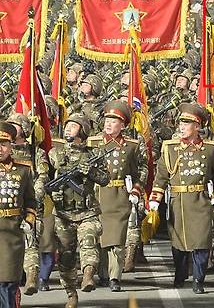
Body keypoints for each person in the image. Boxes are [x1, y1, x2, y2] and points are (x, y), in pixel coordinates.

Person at [149, 102, 214, 294]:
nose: (182, 127)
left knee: (201, 242)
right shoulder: (170, 148)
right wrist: (155, 198)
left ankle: (199, 279)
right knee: (179, 243)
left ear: (197, 126)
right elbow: (161, 176)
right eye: (180, 123)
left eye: (187, 123)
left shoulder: (209, 149)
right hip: (178, 201)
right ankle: (180, 273)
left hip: (200, 200)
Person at [48, 113, 110, 308]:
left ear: (82, 132)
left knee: (89, 242)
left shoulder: (93, 155)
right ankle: (70, 292)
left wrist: (90, 171)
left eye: (74, 126)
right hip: (63, 214)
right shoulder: (54, 154)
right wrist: (50, 195)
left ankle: (88, 276)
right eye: (67, 126)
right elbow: (45, 180)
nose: (68, 129)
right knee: (66, 257)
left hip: (87, 212)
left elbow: (105, 179)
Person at [87, 100, 148, 292]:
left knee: (117, 240)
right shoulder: (93, 143)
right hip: (97, 195)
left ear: (123, 125)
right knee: (100, 238)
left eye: (114, 121)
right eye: (107, 119)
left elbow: (142, 169)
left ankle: (115, 277)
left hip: (120, 196)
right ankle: (103, 273)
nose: (108, 124)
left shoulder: (131, 146)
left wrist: (136, 189)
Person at [0, 121, 37, 308]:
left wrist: (29, 221)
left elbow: (31, 201)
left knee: (8, 280)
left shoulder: (23, 170)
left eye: (3, 144)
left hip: (12, 232)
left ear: (11, 146)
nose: (0, 149)